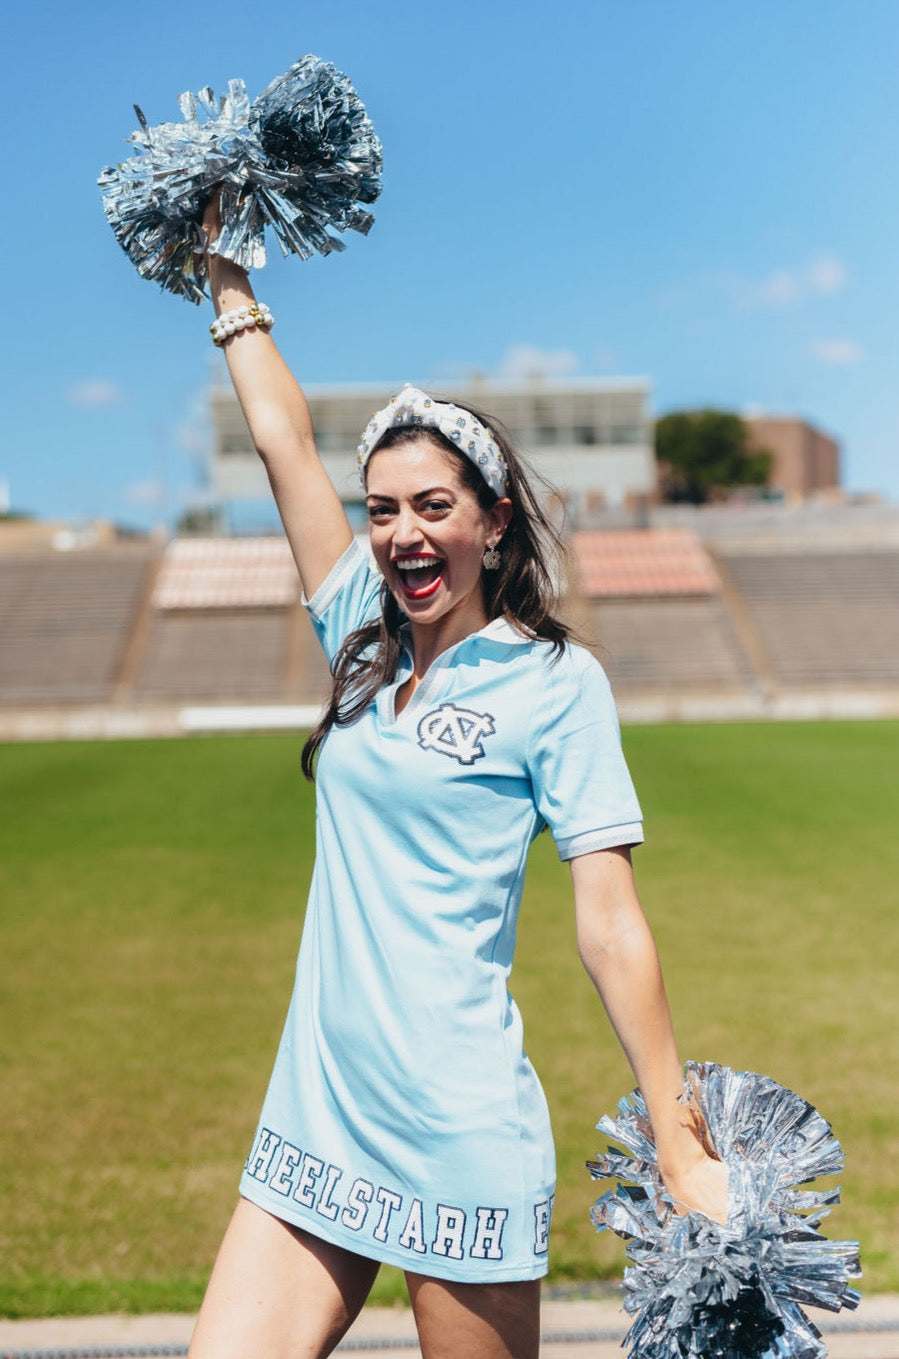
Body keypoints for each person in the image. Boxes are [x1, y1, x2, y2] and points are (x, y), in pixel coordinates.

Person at [187, 197, 728, 1359]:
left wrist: (676, 1132)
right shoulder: (357, 637)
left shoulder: (554, 684)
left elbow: (611, 924)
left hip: (456, 1131)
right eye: (381, 511)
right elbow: (283, 442)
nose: (400, 535)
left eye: (432, 507)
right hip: (317, 1120)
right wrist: (227, 278)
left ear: (488, 521)